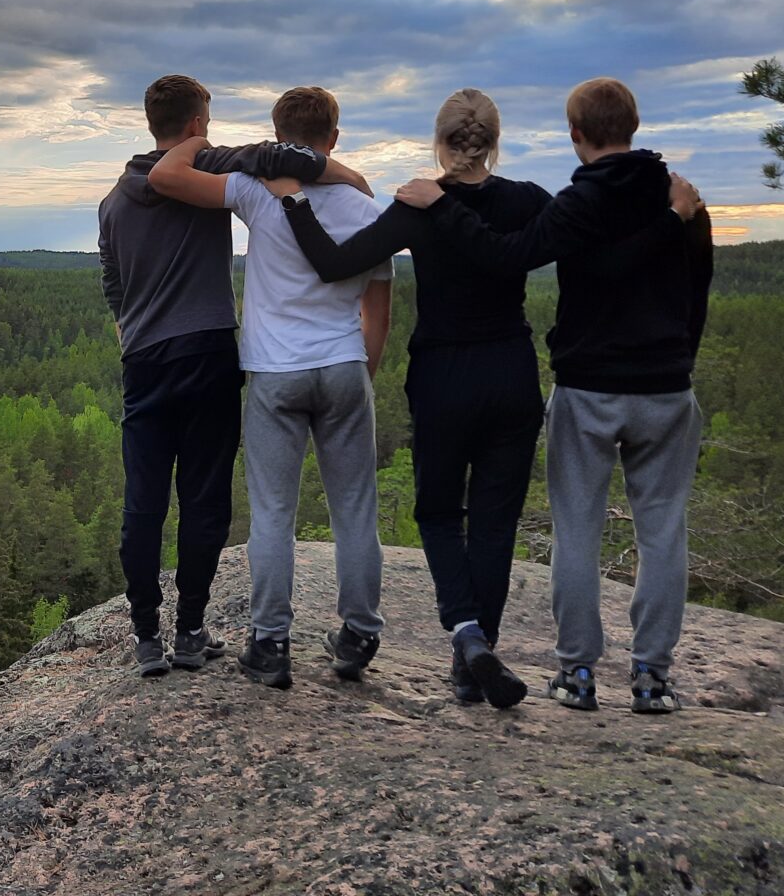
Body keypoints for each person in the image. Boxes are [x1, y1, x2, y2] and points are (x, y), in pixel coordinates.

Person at [396, 77, 713, 714]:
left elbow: (523, 256)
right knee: (663, 535)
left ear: (575, 134)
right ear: (635, 124)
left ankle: (577, 675)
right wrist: (678, 359)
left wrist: (440, 203)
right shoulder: (681, 197)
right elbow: (696, 291)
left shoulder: (578, 202)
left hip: (589, 387)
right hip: (665, 389)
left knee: (577, 532)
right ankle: (651, 676)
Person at [262, 88, 551, 707]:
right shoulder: (528, 201)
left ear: (440, 143)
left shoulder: (419, 204)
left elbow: (335, 266)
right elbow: (566, 243)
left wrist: (293, 204)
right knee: (495, 523)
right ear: (494, 143)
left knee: (440, 514)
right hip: (512, 371)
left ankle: (469, 633)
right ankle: (472, 662)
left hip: (445, 375)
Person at [98, 74, 366, 679]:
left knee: (143, 501)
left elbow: (113, 284)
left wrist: (132, 329)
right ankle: (190, 630)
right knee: (203, 498)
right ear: (197, 125)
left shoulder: (113, 200)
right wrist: (342, 174)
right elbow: (277, 159)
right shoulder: (211, 173)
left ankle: (145, 636)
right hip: (209, 350)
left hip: (144, 360)